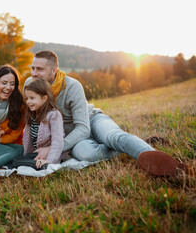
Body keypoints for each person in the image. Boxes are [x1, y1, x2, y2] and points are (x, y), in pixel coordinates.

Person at [22, 50, 191, 177]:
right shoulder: (30, 85)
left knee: (112, 137)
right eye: (33, 68)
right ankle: (127, 146)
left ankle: (159, 159)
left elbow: (82, 127)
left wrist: (53, 148)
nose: (34, 73)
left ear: (54, 71)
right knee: (85, 154)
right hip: (70, 136)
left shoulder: (72, 86)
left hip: (91, 120)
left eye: (40, 69)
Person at [7, 79, 69, 170]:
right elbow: (28, 140)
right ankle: (14, 165)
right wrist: (27, 155)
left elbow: (58, 142)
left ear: (44, 98)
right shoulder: (32, 115)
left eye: (32, 98)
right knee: (16, 158)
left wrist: (50, 161)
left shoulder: (54, 115)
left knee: (17, 161)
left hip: (50, 155)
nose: (28, 102)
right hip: (37, 154)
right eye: (27, 98)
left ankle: (44, 166)